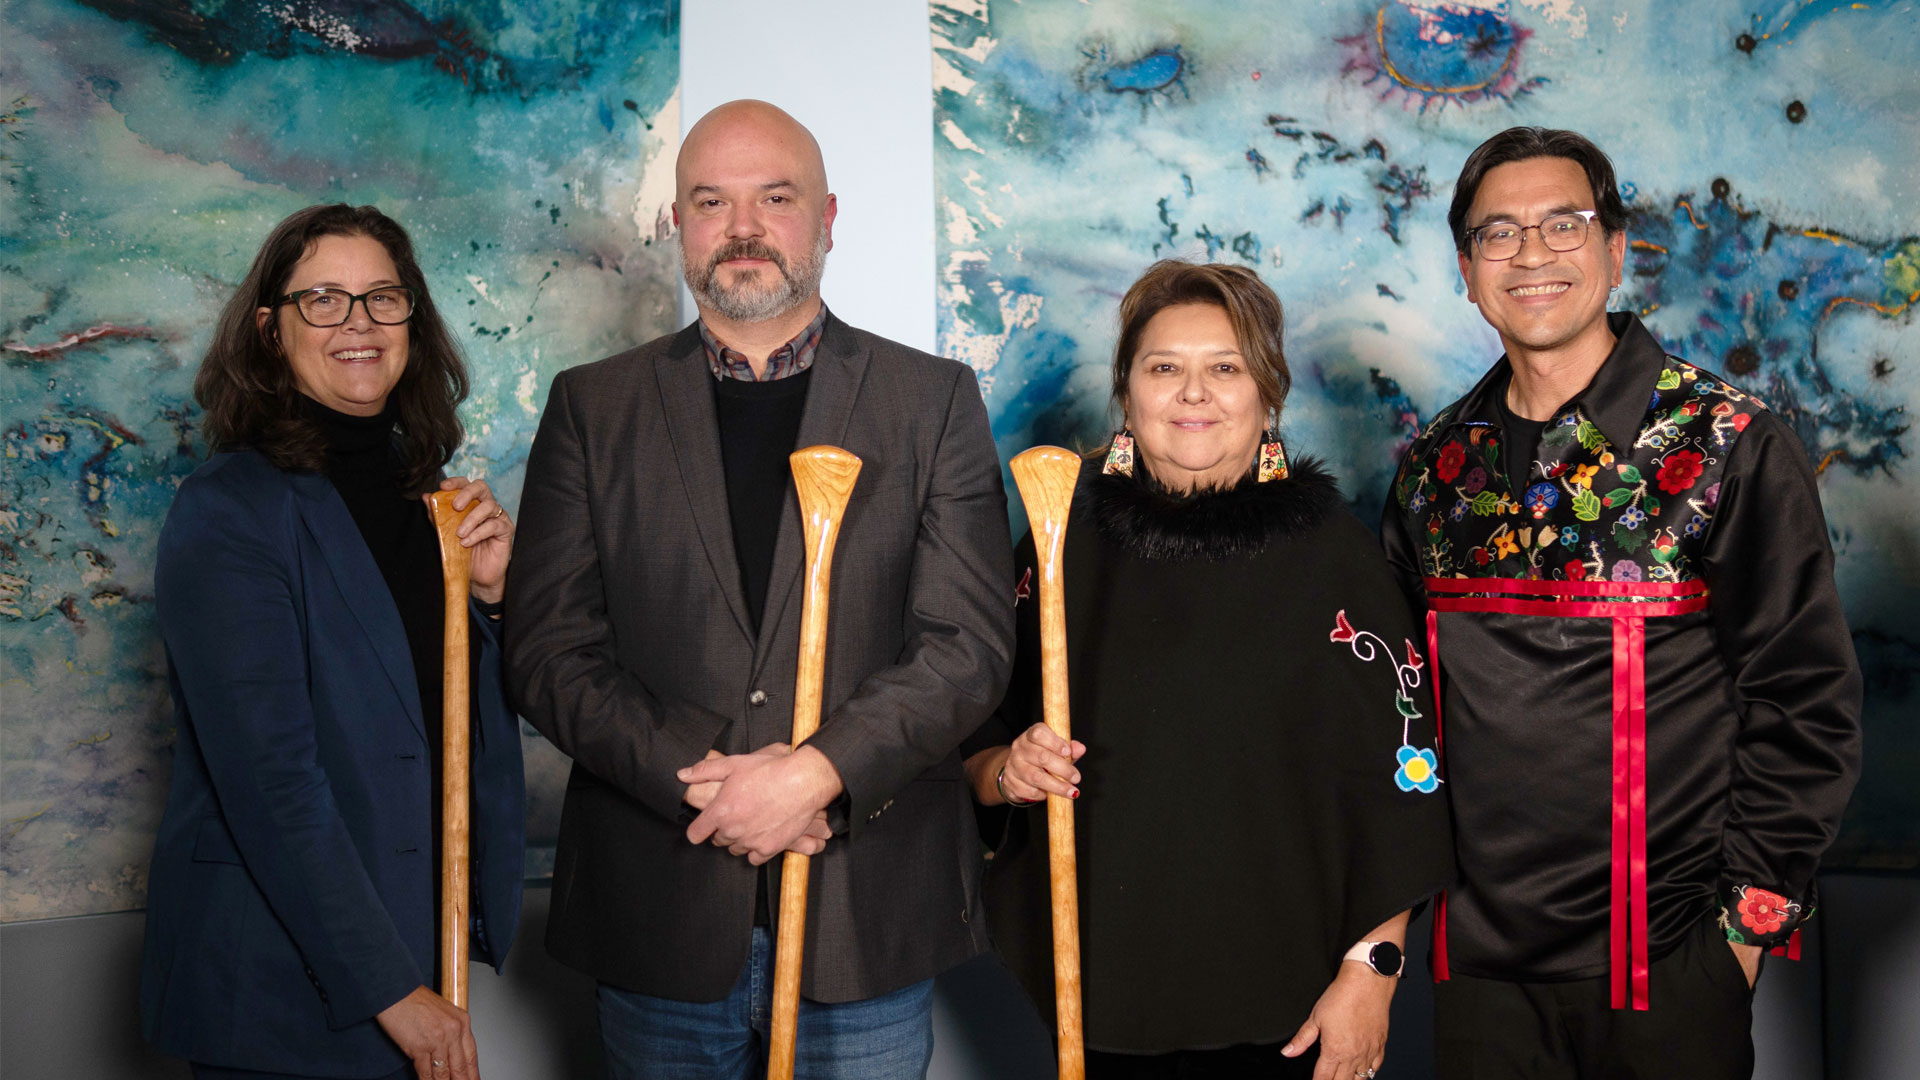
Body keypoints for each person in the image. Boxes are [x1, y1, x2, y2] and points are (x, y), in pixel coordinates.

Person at [504, 99, 1015, 1079]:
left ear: (826, 218)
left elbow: (968, 647)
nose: (742, 227)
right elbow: (548, 651)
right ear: (678, 227)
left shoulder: (932, 401)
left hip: (864, 915)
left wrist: (815, 773)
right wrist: (709, 784)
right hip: (659, 911)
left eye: (774, 198)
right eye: (711, 201)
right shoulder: (592, 408)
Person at [1380, 127, 1862, 1078]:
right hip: (1475, 970)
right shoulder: (1434, 469)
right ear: (1467, 272)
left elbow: (1806, 704)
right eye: (1498, 234)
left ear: (1613, 249)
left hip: (1671, 969)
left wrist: (1741, 940)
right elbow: (1394, 708)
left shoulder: (1727, 443)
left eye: (1564, 224)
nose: (1532, 254)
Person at [964, 260, 1453, 1080]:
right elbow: (976, 739)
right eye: (1165, 369)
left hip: (1297, 1010)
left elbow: (1400, 782)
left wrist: (1373, 970)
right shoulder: (1059, 536)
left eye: (1224, 368)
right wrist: (1005, 772)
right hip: (1104, 994)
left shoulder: (1333, 556)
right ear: (1128, 395)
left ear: (1268, 393)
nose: (1194, 394)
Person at [140, 204, 526, 1080]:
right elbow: (272, 784)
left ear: (412, 324)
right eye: (325, 300)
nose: (358, 324)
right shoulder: (229, 511)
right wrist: (395, 994)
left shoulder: (431, 505)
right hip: (284, 984)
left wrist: (498, 597)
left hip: (417, 942)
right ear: (272, 330)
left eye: (383, 299)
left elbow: (459, 727)